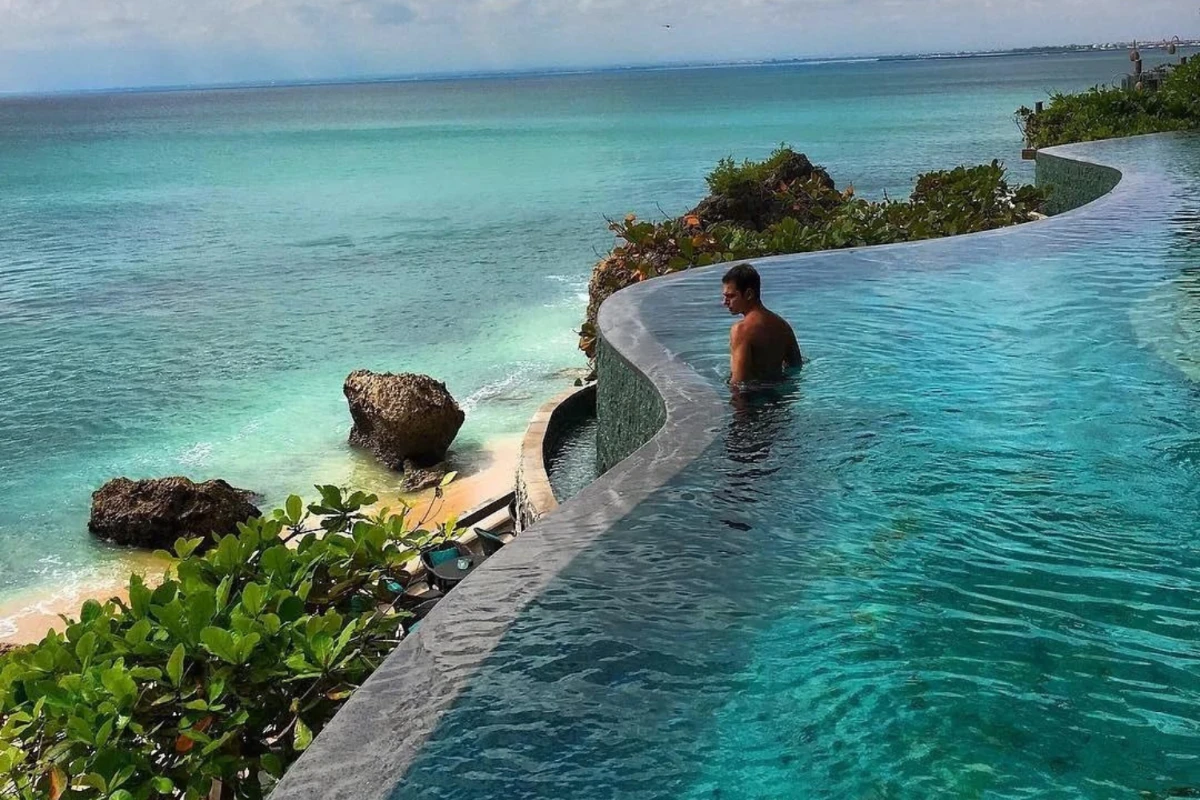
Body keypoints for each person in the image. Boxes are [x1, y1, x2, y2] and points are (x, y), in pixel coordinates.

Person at [721, 263, 803, 386]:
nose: (725, 303)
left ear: (749, 294)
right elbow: (796, 366)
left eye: (731, 296)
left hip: (751, 400)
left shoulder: (741, 330)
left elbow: (738, 383)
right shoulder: (783, 325)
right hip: (778, 399)